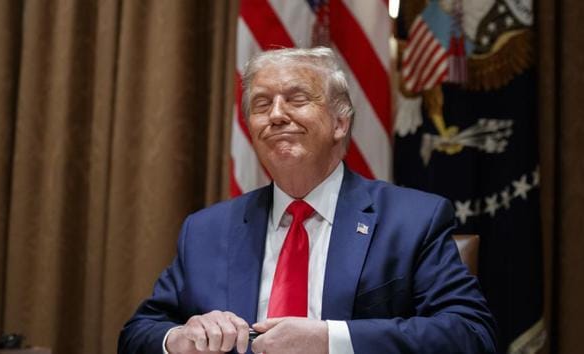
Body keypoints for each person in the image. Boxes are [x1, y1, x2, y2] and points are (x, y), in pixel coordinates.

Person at [118, 47, 497, 354]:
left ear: (340, 123)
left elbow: (471, 335)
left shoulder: (412, 220)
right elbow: (137, 335)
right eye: (262, 104)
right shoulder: (205, 230)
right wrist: (179, 339)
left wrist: (330, 340)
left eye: (297, 99)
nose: (277, 115)